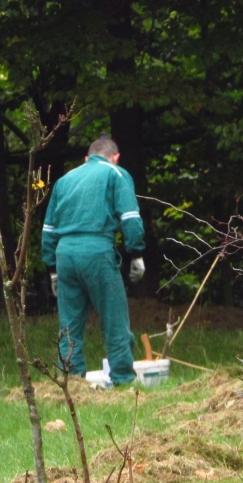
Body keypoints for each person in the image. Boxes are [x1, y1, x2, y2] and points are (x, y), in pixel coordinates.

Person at [41, 136, 146, 385]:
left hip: (64, 254)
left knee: (69, 324)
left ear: (86, 158)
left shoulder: (64, 181)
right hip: (97, 251)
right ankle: (121, 378)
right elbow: (130, 218)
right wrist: (137, 253)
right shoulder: (116, 174)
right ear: (116, 157)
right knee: (114, 319)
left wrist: (52, 269)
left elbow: (48, 229)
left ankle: (71, 383)